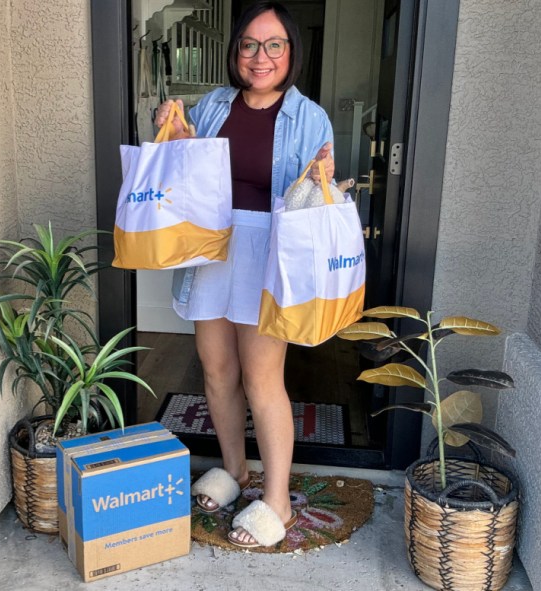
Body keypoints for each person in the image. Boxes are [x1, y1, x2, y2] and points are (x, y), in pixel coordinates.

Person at [154, 1, 338, 548]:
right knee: (215, 370)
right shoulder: (213, 105)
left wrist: (323, 176)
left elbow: (317, 199)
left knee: (262, 378)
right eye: (250, 45)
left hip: (269, 251)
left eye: (273, 45)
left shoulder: (310, 117)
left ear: (291, 52)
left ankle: (277, 498)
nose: (261, 57)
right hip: (212, 245)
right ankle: (235, 471)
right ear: (237, 52)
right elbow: (185, 169)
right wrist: (171, 128)